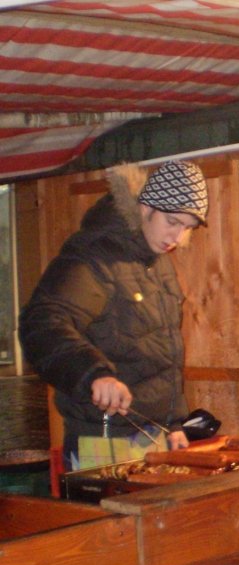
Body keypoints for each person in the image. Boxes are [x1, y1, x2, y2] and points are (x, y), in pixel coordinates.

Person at [19, 160, 209, 470]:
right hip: (103, 439)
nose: (177, 236)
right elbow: (42, 323)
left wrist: (174, 423)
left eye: (187, 227)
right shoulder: (94, 258)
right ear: (146, 207)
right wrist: (94, 373)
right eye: (172, 221)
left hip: (154, 437)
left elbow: (163, 355)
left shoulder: (157, 263)